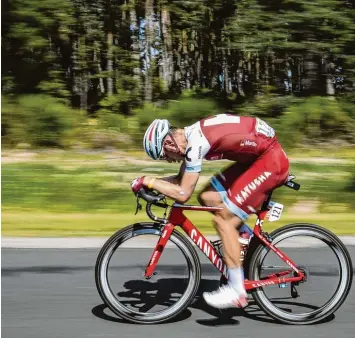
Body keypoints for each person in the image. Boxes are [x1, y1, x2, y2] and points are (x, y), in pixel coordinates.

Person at [131, 113, 289, 309]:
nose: (169, 161)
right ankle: (243, 240)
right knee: (208, 198)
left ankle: (236, 291)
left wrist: (151, 181)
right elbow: (181, 181)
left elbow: (182, 193)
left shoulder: (195, 144)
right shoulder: (192, 136)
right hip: (257, 158)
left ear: (169, 145)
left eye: (165, 157)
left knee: (224, 221)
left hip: (269, 161)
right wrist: (151, 184)